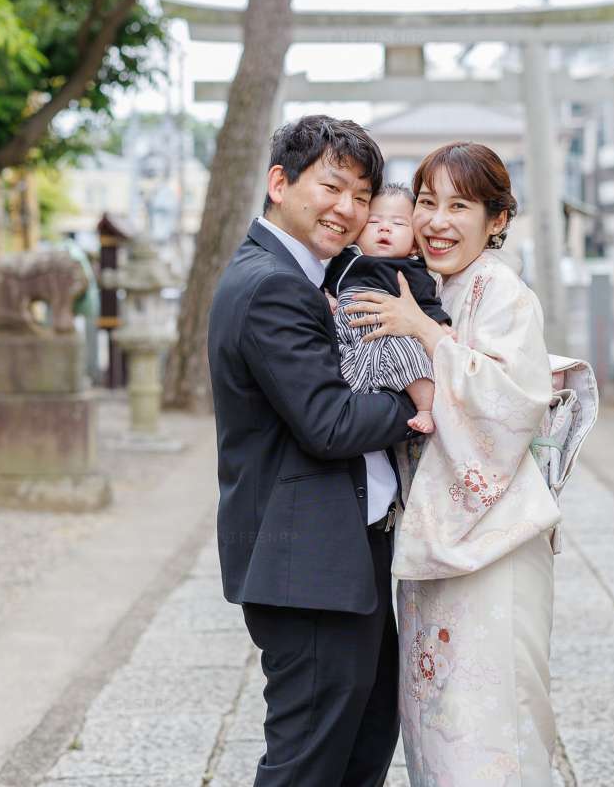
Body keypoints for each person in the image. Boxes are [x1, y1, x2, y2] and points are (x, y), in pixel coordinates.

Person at [345, 141, 564, 786]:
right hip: (431, 536)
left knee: (494, 721)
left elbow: (511, 404)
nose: (436, 221)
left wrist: (425, 330)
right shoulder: (422, 282)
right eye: (426, 202)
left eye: (459, 205)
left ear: (496, 221)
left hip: (494, 539)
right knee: (435, 717)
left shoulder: (503, 294)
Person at [207, 115, 416, 787]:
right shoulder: (273, 284)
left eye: (362, 196)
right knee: (308, 764)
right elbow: (327, 423)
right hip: (308, 568)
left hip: (337, 557)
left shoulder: (302, 279)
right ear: (279, 183)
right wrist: (419, 402)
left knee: (360, 743)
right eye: (332, 187)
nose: (348, 209)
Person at [323, 183, 452, 435]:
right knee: (335, 356)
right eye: (373, 222)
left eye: (398, 224)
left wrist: (442, 325)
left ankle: (425, 407)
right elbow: (323, 283)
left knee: (409, 355)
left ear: (415, 244)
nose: (384, 227)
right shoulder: (345, 258)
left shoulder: (411, 268)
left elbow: (427, 303)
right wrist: (325, 296)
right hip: (350, 329)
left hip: (389, 332)